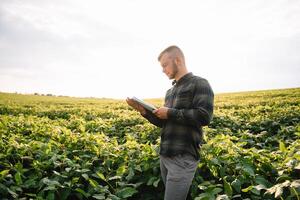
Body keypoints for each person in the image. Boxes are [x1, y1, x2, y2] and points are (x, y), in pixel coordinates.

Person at [126, 45, 214, 200]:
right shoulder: (170, 92)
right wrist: (143, 111)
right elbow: (165, 123)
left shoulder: (200, 83)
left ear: (178, 60)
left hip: (183, 156)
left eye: (165, 65)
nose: (163, 70)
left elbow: (204, 116)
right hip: (165, 155)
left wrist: (170, 112)